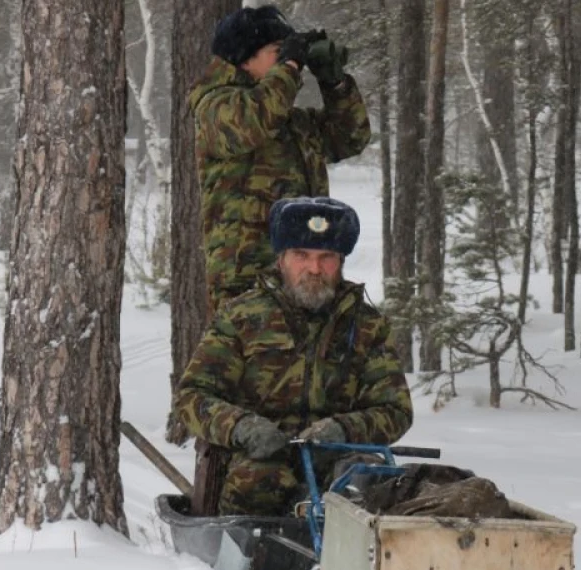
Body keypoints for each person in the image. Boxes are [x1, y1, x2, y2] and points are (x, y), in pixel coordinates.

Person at [176, 197, 413, 517]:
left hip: (339, 458)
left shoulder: (367, 325)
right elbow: (192, 397)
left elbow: (396, 409)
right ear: (282, 258)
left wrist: (344, 429)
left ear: (340, 261)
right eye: (302, 255)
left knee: (368, 484)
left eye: (326, 257)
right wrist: (243, 427)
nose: (314, 269)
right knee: (259, 480)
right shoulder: (241, 318)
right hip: (262, 459)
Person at [190, 5, 372, 312]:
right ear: (245, 58)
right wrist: (289, 66)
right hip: (247, 280)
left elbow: (350, 136)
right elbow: (251, 122)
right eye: (277, 51)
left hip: (306, 274)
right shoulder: (215, 108)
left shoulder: (293, 122)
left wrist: (334, 83)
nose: (290, 63)